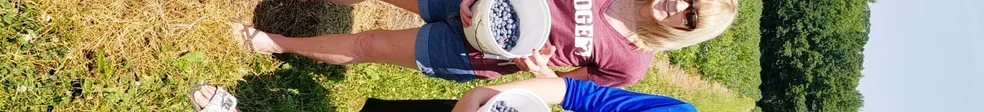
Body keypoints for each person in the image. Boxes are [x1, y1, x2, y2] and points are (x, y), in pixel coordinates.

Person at [233, 0, 739, 87]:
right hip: (477, 1)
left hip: (479, 55)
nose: (678, 7)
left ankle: (278, 43)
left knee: (367, 44)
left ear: (692, 31)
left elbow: (561, 90)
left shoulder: (630, 65)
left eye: (691, 17)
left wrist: (537, 66)